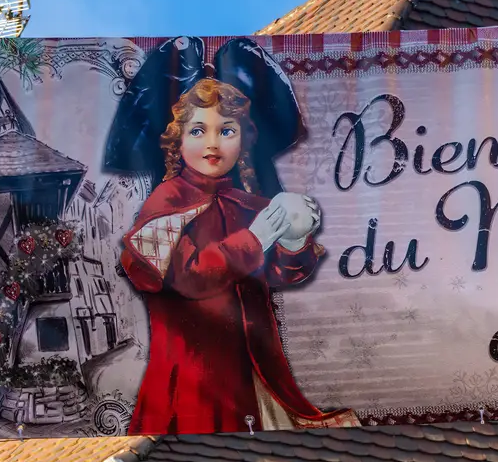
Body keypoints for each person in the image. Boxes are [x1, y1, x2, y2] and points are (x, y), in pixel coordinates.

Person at [120, 73, 356, 433]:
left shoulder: (245, 204)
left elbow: (280, 272)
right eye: (198, 131)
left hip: (256, 365)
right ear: (178, 142)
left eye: (226, 131)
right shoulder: (166, 202)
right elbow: (190, 277)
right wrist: (255, 238)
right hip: (195, 372)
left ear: (242, 142)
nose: (212, 143)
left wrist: (295, 240)